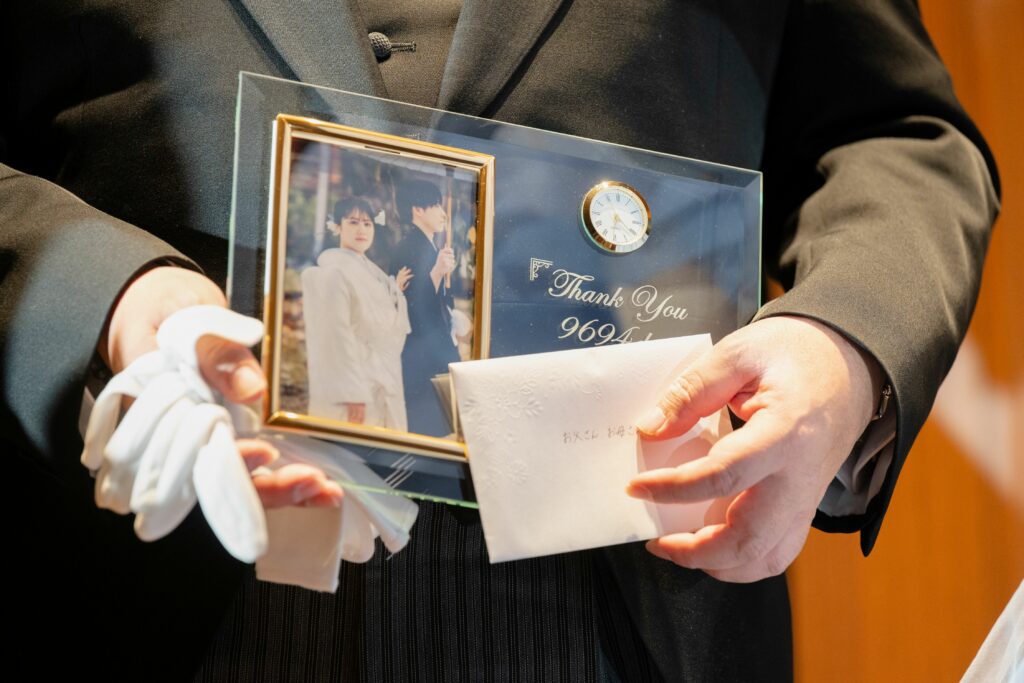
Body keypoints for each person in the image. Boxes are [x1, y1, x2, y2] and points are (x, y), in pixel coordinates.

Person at [0, 1, 999, 680]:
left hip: (626, 596)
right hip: (137, 577)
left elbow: (893, 130)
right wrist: (108, 297)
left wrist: (842, 343)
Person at [301, 197, 413, 430]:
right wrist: (352, 393)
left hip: (385, 371)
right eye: (353, 222)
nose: (361, 229)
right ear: (337, 227)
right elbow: (336, 336)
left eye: (367, 223)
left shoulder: (370, 270)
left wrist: (394, 290)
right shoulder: (333, 272)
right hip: (359, 377)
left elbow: (381, 311)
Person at [389, 178, 460, 436]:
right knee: (428, 425)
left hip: (436, 345)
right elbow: (410, 307)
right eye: (436, 206)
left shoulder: (430, 246)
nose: (443, 213)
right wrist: (437, 273)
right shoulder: (408, 248)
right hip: (421, 351)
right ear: (418, 209)